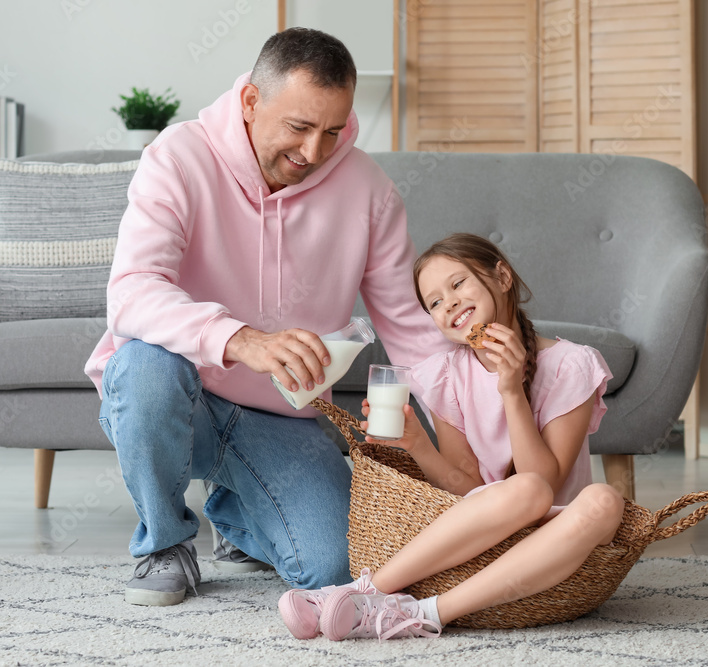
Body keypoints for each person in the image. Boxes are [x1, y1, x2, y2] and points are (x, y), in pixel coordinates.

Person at [84, 28, 448, 607]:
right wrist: (240, 339)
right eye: (299, 128)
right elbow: (131, 293)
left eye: (333, 131)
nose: (314, 153)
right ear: (252, 103)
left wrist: (478, 439)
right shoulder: (178, 157)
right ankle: (165, 542)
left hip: (283, 416)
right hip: (177, 397)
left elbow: (412, 330)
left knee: (335, 566)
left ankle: (234, 515)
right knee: (143, 363)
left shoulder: (368, 191)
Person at [278, 233, 626, 640]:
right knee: (522, 490)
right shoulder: (447, 373)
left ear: (502, 276)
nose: (450, 304)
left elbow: (547, 486)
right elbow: (468, 487)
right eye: (435, 303)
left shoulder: (570, 364)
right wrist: (417, 445)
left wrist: (511, 390)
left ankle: (424, 613)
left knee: (603, 500)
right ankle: (362, 591)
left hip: (557, 531)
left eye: (458, 284)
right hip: (491, 519)